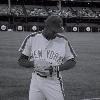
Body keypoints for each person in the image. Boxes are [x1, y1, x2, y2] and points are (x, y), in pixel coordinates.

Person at [18, 15, 77, 100]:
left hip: (53, 81)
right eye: (54, 31)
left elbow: (72, 61)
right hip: (36, 80)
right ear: (46, 26)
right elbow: (21, 60)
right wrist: (35, 64)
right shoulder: (32, 38)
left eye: (57, 31)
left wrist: (55, 68)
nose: (55, 33)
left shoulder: (63, 41)